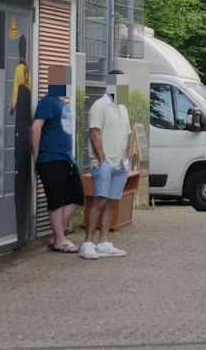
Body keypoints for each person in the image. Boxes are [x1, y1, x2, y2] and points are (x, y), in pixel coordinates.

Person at [83, 78, 134, 259]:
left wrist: (125, 158)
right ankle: (88, 242)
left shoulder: (123, 108)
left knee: (111, 202)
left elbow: (126, 134)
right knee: (100, 200)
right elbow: (94, 132)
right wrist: (102, 158)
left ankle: (103, 241)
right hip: (104, 163)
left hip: (120, 163)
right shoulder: (99, 106)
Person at [31, 80, 84, 253]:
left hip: (67, 158)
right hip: (50, 158)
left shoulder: (62, 103)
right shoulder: (47, 101)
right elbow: (36, 128)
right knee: (56, 200)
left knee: (76, 195)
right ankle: (60, 241)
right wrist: (36, 154)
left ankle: (56, 236)